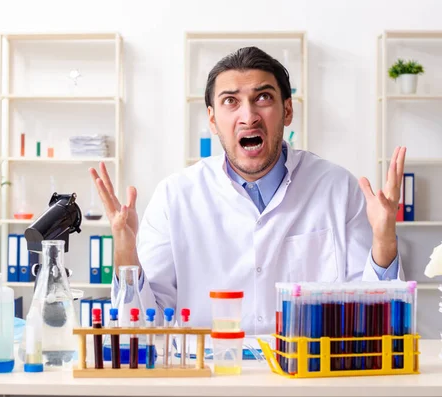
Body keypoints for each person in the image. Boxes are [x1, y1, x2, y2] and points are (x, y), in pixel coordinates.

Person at [89, 46, 406, 336]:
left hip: (308, 375)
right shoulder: (175, 197)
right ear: (212, 120)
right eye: (230, 101)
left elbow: (374, 323)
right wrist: (125, 254)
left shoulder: (337, 188)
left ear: (288, 110)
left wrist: (384, 241)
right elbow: (146, 327)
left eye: (263, 98)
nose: (248, 115)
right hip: (210, 376)